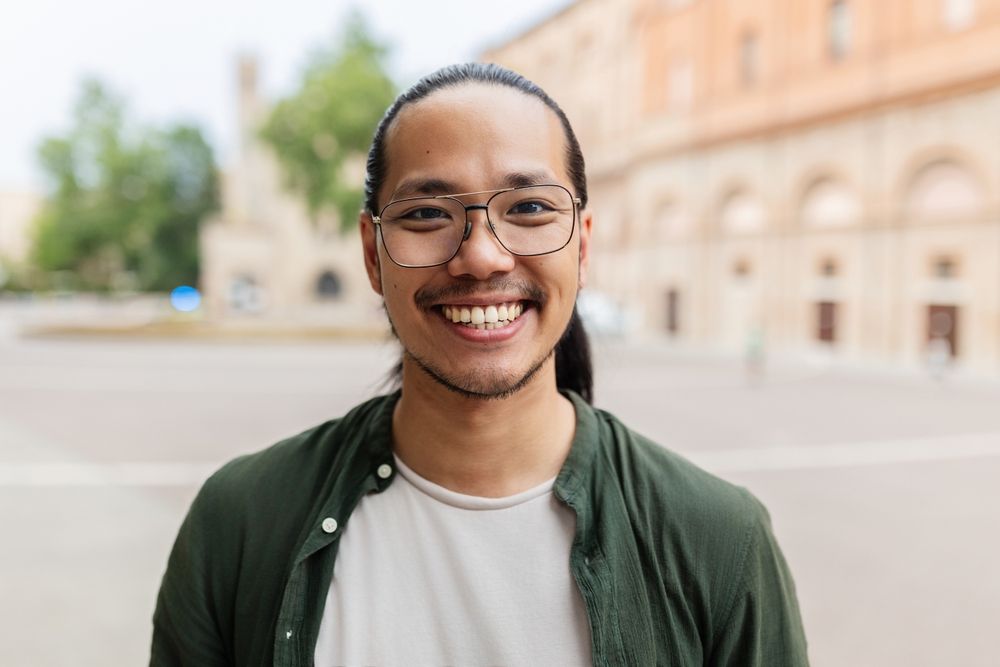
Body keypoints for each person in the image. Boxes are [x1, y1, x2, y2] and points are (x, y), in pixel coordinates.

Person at [151, 63, 809, 666]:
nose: (483, 256)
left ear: (581, 246)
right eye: (428, 213)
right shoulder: (239, 524)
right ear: (372, 255)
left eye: (528, 208)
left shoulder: (719, 539)